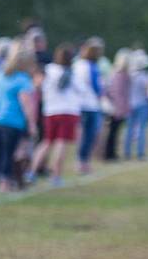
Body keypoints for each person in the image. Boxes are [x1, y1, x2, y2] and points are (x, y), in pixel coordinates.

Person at [0, 41, 38, 193]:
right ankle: (5, 183)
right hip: (13, 121)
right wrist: (32, 124)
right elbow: (27, 104)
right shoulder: (23, 79)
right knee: (8, 153)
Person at [28, 43, 80, 185]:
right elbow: (79, 90)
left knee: (46, 141)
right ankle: (56, 175)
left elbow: (37, 86)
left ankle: (31, 171)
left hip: (50, 110)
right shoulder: (71, 72)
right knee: (61, 143)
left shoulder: (48, 69)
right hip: (68, 111)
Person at [70, 39, 105, 175]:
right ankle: (81, 161)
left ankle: (85, 160)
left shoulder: (90, 65)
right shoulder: (83, 65)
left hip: (91, 104)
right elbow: (92, 85)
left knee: (90, 135)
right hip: (85, 104)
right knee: (86, 135)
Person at [102, 49, 131, 162]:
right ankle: (109, 154)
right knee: (113, 132)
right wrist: (120, 109)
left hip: (116, 107)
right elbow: (118, 93)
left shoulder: (117, 73)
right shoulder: (120, 75)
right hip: (116, 108)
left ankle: (112, 153)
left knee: (114, 132)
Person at [125, 50, 148, 160]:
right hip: (142, 104)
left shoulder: (130, 75)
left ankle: (127, 152)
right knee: (142, 129)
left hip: (130, 104)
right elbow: (146, 91)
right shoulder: (143, 76)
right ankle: (140, 153)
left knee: (129, 128)